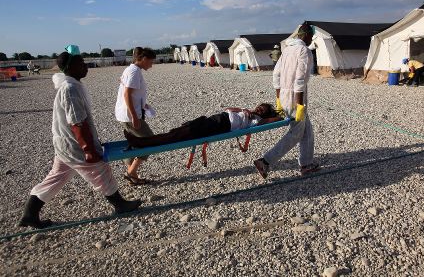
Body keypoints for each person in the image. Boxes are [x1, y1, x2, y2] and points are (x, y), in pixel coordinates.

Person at [19, 48, 141, 229]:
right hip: (73, 145)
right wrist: (89, 149)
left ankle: (30, 213)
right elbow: (77, 123)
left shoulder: (71, 85)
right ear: (71, 68)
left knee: (56, 178)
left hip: (65, 145)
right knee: (100, 170)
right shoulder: (70, 89)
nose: (86, 67)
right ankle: (120, 204)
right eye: (81, 64)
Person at [253, 22, 319, 179]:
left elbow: (276, 75)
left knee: (307, 131)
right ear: (307, 35)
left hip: (284, 97)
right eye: (311, 36)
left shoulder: (287, 50)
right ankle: (265, 161)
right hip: (296, 99)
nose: (311, 39)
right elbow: (300, 79)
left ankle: (306, 164)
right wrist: (300, 105)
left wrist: (278, 98)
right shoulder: (304, 51)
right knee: (296, 133)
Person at [124, 103, 281, 148]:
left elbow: (274, 119)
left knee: (175, 136)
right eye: (260, 106)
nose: (259, 109)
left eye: (262, 110)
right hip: (213, 119)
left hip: (220, 125)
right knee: (176, 132)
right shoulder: (246, 111)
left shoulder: (256, 121)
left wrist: (279, 114)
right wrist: (242, 109)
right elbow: (226, 108)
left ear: (264, 114)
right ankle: (142, 142)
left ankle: (140, 142)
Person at [115, 47, 156, 185]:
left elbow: (130, 92)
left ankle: (133, 176)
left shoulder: (130, 69)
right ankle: (131, 172)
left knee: (134, 142)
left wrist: (143, 105)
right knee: (150, 140)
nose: (151, 65)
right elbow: (127, 94)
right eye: (151, 61)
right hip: (130, 116)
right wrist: (134, 116)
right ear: (143, 59)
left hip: (126, 114)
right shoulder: (134, 72)